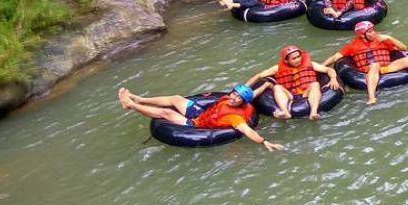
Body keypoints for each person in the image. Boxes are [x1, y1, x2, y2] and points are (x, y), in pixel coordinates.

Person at [116, 84, 283, 151]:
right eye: (234, 93)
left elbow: (247, 130)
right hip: (202, 114)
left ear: (242, 102)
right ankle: (139, 99)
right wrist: (267, 84)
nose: (233, 97)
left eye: (238, 97)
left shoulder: (234, 118)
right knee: (176, 98)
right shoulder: (230, 99)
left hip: (198, 125)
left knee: (166, 113)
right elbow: (253, 94)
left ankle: (130, 105)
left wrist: (264, 142)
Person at [322, 21, 408, 105]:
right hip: (368, 70)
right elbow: (335, 57)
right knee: (374, 65)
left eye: (373, 30)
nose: (373, 33)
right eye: (369, 32)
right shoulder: (353, 46)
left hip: (386, 67)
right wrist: (322, 66)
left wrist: (390, 38)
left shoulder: (382, 40)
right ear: (362, 35)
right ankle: (371, 97)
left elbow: (403, 48)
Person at [245, 45, 340, 120]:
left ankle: (314, 113)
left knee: (315, 84)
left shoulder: (310, 64)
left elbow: (328, 70)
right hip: (289, 95)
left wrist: (333, 79)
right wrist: (245, 87)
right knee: (277, 87)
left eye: (298, 56)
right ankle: (285, 112)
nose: (298, 60)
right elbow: (259, 76)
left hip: (306, 93)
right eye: (294, 58)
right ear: (286, 60)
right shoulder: (277, 68)